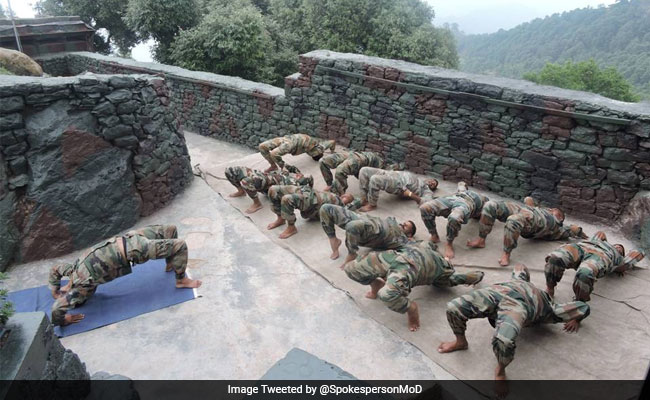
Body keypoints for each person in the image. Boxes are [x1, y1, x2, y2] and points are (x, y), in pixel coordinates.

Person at [438, 264, 590, 381]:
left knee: (503, 339)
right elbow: (520, 267)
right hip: (502, 291)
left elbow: (583, 307)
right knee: (454, 308)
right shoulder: (519, 279)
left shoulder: (551, 309)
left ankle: (500, 370)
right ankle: (460, 341)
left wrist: (576, 319)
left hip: (521, 304)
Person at [48, 225, 201, 326]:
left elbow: (55, 270)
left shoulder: (72, 271)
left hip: (130, 238)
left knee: (170, 230)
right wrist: (63, 320)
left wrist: (54, 290)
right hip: (135, 249)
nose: (65, 290)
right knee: (180, 245)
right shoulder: (82, 285)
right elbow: (56, 309)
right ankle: (181, 280)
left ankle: (170, 262)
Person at [344, 240, 484, 331]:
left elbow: (390, 293)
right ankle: (376, 285)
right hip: (413, 251)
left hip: (435, 267)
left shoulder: (403, 272)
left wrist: (441, 257)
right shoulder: (395, 260)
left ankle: (412, 309)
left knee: (387, 295)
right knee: (351, 268)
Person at [466, 197, 587, 266]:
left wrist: (584, 236)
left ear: (560, 217)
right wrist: (530, 203)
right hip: (523, 210)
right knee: (491, 205)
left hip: (534, 222)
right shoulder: (540, 209)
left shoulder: (557, 226)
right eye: (551, 209)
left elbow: (574, 229)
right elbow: (529, 201)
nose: (551, 209)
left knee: (513, 221)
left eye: (555, 210)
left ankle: (506, 253)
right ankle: (481, 239)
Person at [544, 231, 644, 300]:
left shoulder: (618, 259)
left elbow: (638, 253)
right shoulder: (597, 240)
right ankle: (550, 287)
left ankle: (579, 304)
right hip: (582, 247)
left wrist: (622, 267)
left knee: (585, 273)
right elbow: (601, 233)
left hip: (601, 257)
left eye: (620, 249)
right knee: (556, 257)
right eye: (616, 245)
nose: (618, 247)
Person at [318, 203, 415, 267]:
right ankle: (333, 238)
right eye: (404, 222)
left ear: (409, 235)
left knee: (351, 226)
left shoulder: (400, 240)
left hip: (372, 232)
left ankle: (352, 253)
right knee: (325, 208)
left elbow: (413, 251)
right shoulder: (392, 220)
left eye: (406, 226)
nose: (403, 224)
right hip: (364, 219)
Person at [419, 181, 489, 260]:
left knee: (454, 218)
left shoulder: (484, 201)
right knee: (425, 208)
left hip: (467, 203)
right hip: (453, 198)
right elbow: (461, 183)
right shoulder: (463, 190)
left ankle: (449, 243)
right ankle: (433, 235)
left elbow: (489, 210)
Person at [266, 185, 361, 239]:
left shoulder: (340, 206)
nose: (345, 197)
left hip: (314, 203)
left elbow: (354, 205)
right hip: (307, 192)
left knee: (287, 199)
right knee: (273, 190)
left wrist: (359, 201)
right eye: (345, 196)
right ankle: (280, 218)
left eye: (347, 198)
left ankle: (291, 227)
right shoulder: (333, 194)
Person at [225, 165, 313, 213]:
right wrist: (298, 172)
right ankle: (241, 191)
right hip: (264, 177)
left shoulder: (293, 182)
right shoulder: (285, 172)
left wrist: (301, 177)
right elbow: (288, 167)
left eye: (298, 176)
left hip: (272, 184)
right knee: (229, 171)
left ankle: (257, 204)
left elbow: (309, 176)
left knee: (246, 182)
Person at [357, 167, 438, 212]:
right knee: (363, 170)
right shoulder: (420, 178)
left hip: (398, 185)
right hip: (389, 173)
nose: (432, 182)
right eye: (432, 180)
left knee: (375, 179)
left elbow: (425, 202)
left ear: (433, 188)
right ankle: (364, 199)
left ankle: (372, 205)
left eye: (434, 184)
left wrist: (410, 194)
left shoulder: (426, 191)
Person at [319, 151, 387, 194]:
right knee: (323, 161)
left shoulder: (380, 165)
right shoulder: (376, 159)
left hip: (359, 159)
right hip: (354, 155)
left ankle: (340, 194)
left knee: (340, 171)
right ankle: (329, 184)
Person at [258, 134, 335, 172]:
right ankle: (274, 166)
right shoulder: (318, 148)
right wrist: (332, 152)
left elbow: (332, 142)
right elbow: (332, 142)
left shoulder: (312, 150)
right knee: (263, 147)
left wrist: (332, 151)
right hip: (289, 140)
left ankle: (281, 167)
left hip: (289, 141)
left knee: (269, 150)